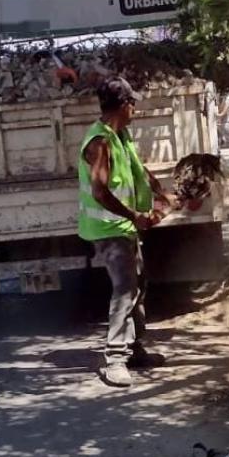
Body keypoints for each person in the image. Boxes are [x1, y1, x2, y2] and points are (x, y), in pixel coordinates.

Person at [78, 77, 172, 387]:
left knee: (138, 286)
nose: (135, 109)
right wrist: (134, 215)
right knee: (124, 291)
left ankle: (134, 349)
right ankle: (115, 359)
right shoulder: (100, 142)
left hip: (125, 227)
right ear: (123, 105)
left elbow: (136, 168)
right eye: (132, 103)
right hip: (109, 229)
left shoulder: (121, 134)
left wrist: (158, 190)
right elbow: (99, 192)